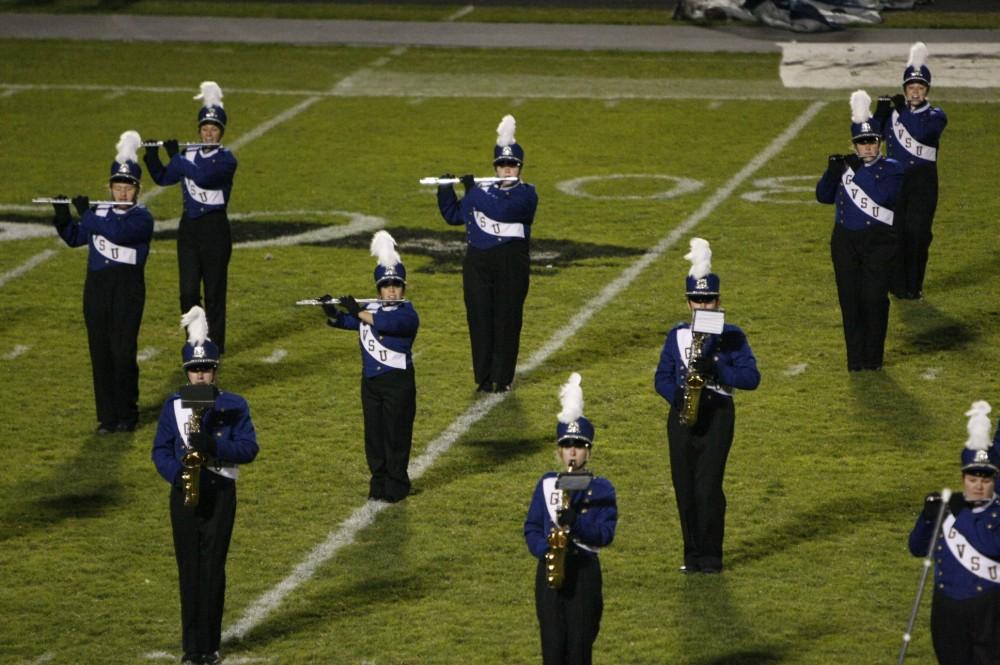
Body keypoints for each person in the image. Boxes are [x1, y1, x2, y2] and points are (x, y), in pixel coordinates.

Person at [151, 306, 258, 665]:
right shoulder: (173, 406)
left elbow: (249, 449)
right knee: (189, 569)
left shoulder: (234, 405)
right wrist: (177, 476)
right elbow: (160, 450)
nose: (199, 376)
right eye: (194, 370)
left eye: (205, 369)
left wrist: (213, 446)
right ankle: (190, 647)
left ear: (215, 370)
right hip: (183, 492)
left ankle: (209, 646)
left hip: (220, 491)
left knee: (212, 568)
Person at [654, 238, 760, 574]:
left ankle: (711, 555)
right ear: (688, 303)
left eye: (708, 299)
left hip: (718, 414)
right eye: (696, 299)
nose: (703, 305)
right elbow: (661, 376)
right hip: (683, 415)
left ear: (718, 300)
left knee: (708, 486)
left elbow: (751, 378)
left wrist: (716, 368)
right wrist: (679, 398)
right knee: (684, 487)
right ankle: (692, 555)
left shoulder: (732, 335)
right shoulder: (676, 336)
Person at [53, 130, 154, 434]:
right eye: (117, 188)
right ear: (109, 188)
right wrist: (62, 217)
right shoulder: (98, 213)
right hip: (96, 289)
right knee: (100, 352)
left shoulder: (142, 217)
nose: (122, 194)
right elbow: (74, 238)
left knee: (123, 353)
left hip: (127, 290)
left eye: (128, 188)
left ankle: (127, 413)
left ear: (137, 190)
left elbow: (119, 233)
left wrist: (86, 214)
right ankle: (107, 418)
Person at [436, 114, 538, 393]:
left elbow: (502, 210)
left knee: (507, 319)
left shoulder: (528, 194)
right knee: (479, 318)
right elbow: (455, 216)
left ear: (520, 168)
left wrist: (472, 190)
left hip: (511, 264)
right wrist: (445, 190)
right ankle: (483, 377)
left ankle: (502, 378)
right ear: (494, 167)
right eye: (502, 165)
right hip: (478, 263)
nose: (507, 170)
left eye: (512, 165)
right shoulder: (482, 191)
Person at [524, 372, 617, 665]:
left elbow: (605, 534)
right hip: (550, 572)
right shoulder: (546, 483)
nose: (572, 452)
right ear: (559, 451)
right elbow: (531, 528)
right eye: (567, 446)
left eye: (578, 446)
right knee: (552, 650)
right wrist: (548, 550)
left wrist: (576, 522)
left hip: (584, 573)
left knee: (579, 650)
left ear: (588, 451)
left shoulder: (601, 487)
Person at [319, 231, 419, 502]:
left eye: (396, 285)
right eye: (386, 285)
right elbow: (349, 323)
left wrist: (358, 311)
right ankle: (378, 483)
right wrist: (332, 313)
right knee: (374, 436)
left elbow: (389, 325)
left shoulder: (407, 313)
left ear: (403, 288)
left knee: (396, 435)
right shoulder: (370, 308)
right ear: (378, 288)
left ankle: (397, 484)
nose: (392, 290)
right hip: (371, 384)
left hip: (397, 383)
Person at [144, 81, 238, 354]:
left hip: (215, 228)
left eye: (214, 129)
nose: (208, 133)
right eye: (205, 128)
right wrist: (152, 155)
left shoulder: (226, 159)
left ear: (221, 133)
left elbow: (205, 179)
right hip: (188, 230)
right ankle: (194, 337)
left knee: (214, 293)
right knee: (187, 291)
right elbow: (163, 177)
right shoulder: (188, 154)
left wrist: (177, 157)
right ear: (199, 130)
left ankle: (215, 346)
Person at [816, 90, 904, 372]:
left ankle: (873, 359)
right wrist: (832, 173)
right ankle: (855, 360)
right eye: (861, 143)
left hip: (879, 241)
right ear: (854, 145)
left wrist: (856, 171)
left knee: (874, 298)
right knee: (850, 300)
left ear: (879, 142)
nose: (867, 147)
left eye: (871, 141)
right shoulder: (845, 167)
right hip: (844, 241)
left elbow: (882, 196)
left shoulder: (893, 168)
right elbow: (822, 196)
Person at [908, 400, 1000, 665]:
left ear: (994, 480)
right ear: (963, 479)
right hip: (947, 609)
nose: (979, 486)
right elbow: (917, 548)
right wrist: (927, 518)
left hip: (989, 609)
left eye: (985, 480)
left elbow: (991, 545)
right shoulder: (949, 507)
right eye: (973, 480)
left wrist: (958, 515)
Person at [872, 42, 947, 300]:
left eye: (920, 88)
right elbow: (871, 140)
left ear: (927, 91)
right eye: (911, 88)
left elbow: (920, 132)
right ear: (905, 89)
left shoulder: (936, 115)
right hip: (895, 182)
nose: (915, 92)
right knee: (896, 234)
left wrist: (901, 111)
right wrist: (878, 116)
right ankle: (897, 283)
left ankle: (914, 285)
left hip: (922, 184)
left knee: (918, 233)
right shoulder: (895, 114)